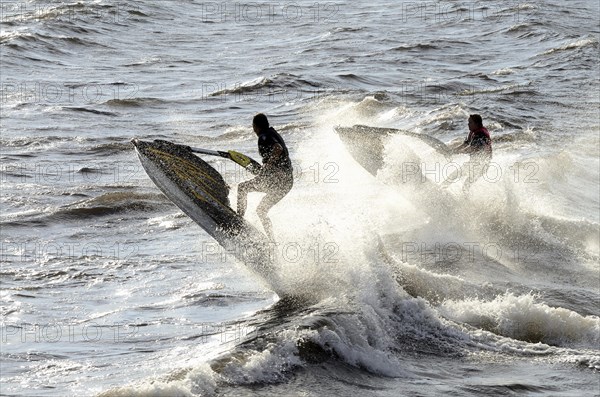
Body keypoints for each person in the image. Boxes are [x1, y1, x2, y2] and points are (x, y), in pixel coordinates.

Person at [237, 113, 293, 240]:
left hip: (277, 181)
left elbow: (278, 149)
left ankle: (238, 219)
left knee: (242, 188)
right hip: (287, 183)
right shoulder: (273, 133)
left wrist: (268, 165)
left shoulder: (264, 136)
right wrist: (267, 168)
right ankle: (272, 240)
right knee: (261, 211)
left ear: (255, 126)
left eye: (253, 126)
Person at [442, 114, 492, 193]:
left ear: (477, 124)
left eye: (470, 122)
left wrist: (456, 153)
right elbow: (465, 144)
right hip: (475, 163)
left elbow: (472, 149)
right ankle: (444, 190)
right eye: (468, 122)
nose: (468, 124)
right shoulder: (473, 132)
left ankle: (441, 189)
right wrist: (452, 151)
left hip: (481, 165)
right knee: (464, 183)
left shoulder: (480, 134)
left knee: (458, 178)